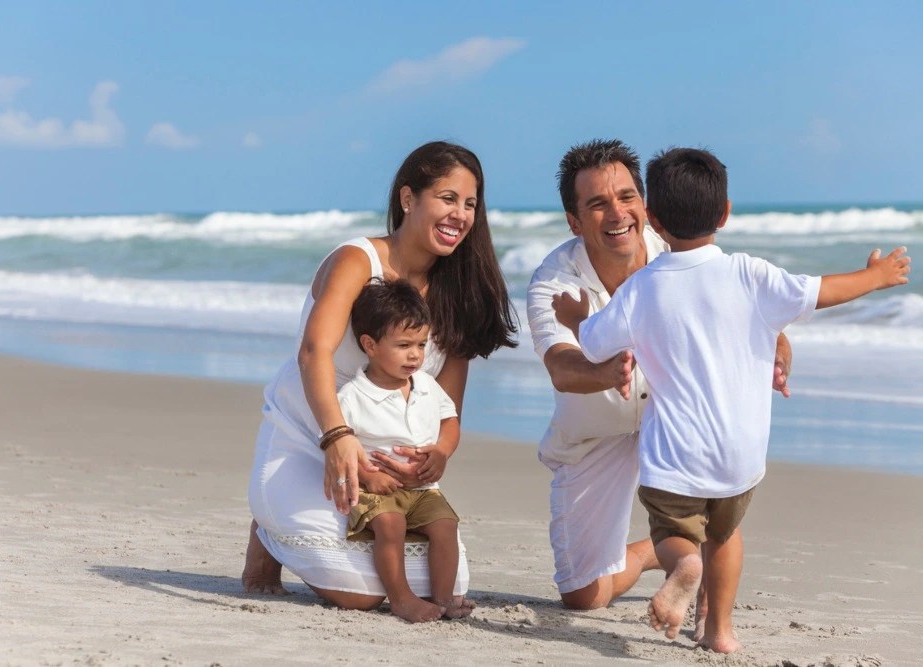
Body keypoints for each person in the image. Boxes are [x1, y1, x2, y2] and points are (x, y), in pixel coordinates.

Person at [552, 146, 911, 653]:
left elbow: (592, 345)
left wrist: (572, 317)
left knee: (674, 533)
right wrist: (876, 277)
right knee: (725, 536)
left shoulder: (642, 288)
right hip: (741, 453)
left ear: (652, 220)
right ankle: (720, 632)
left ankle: (682, 566)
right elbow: (817, 292)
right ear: (725, 212)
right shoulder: (751, 273)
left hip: (676, 456)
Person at [526, 139, 793, 630]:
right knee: (583, 596)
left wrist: (778, 343)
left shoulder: (681, 251)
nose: (617, 214)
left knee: (716, 516)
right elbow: (562, 366)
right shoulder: (553, 281)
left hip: (675, 424)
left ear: (646, 205)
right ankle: (659, 550)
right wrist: (604, 373)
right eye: (597, 204)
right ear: (574, 219)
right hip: (594, 433)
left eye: (627, 197)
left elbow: (745, 301)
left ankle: (696, 557)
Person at [242, 141, 518, 612]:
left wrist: (436, 455)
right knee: (361, 596)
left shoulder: (460, 291)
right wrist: (336, 438)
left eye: (470, 204)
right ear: (408, 198)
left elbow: (444, 404)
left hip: (390, 476)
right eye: (448, 198)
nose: (461, 214)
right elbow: (314, 352)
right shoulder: (358, 261)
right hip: (311, 446)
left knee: (444, 586)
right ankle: (266, 536)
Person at [338, 278, 470, 622]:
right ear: (370, 344)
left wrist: (441, 453)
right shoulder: (353, 395)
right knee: (391, 525)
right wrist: (368, 475)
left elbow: (450, 420)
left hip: (424, 489)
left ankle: (444, 598)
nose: (415, 354)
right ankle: (401, 598)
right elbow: (340, 445)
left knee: (446, 525)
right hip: (377, 489)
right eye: (403, 345)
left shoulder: (426, 384)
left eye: (422, 344)